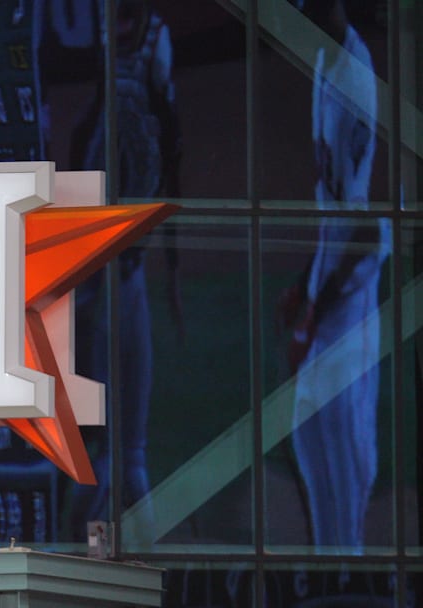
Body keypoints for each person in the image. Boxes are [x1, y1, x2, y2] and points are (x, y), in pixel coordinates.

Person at [59, 0, 183, 541]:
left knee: (125, 452)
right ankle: (96, 555)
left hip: (120, 276)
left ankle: (131, 559)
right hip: (107, 279)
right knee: (114, 452)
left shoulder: (138, 97)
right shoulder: (112, 113)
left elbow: (164, 153)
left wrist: (167, 267)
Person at [279, 0, 389, 549]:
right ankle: (330, 567)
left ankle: (353, 573)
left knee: (345, 451)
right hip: (329, 282)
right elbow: (335, 212)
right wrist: (306, 283)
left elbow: (364, 226)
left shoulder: (356, 83)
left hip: (351, 292)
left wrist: (314, 308)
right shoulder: (326, 60)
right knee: (308, 432)